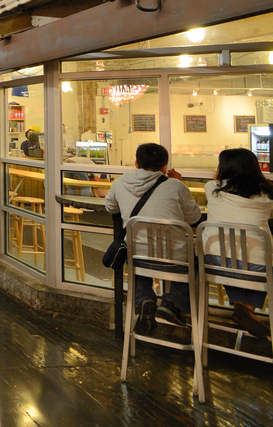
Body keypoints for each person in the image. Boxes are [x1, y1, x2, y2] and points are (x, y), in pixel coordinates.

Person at [105, 143, 202, 334]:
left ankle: (144, 301)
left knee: (138, 252)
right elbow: (194, 218)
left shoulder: (120, 183)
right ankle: (172, 302)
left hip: (137, 257)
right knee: (197, 259)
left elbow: (110, 208)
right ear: (165, 167)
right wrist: (180, 184)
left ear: (136, 163)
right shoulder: (176, 186)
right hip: (176, 261)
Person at [202, 148, 273, 339]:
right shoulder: (267, 195)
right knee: (257, 264)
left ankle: (243, 309)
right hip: (257, 268)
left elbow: (215, 182)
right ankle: (246, 310)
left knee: (231, 263)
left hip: (215, 263)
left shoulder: (212, 189)